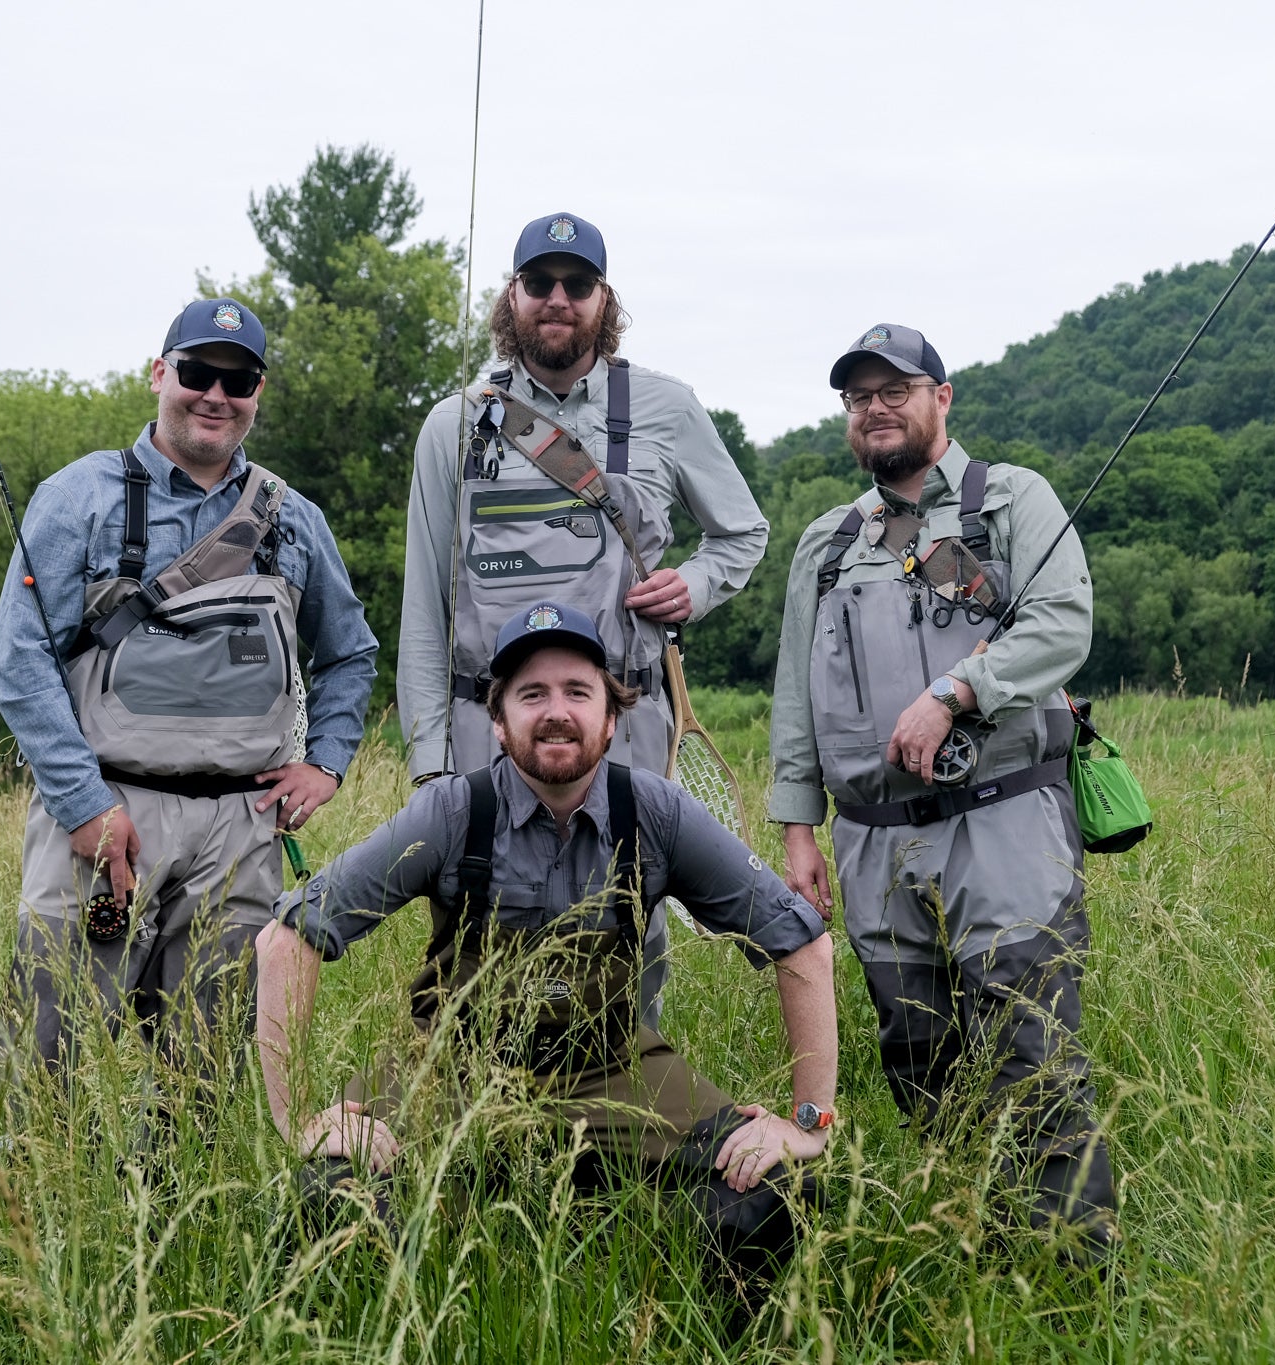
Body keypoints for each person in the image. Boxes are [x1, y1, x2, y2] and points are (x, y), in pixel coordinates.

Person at [257, 602, 836, 1298]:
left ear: (612, 717)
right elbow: (288, 937)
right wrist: (297, 1124)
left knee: (776, 1188)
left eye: (577, 691)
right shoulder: (450, 813)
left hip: (613, 1068)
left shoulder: (654, 811)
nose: (555, 711)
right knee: (333, 1188)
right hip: (448, 1067)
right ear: (497, 722)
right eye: (531, 694)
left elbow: (802, 942)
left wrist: (808, 1123)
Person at [768, 323, 1117, 1252]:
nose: (875, 410)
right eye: (858, 397)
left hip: (1004, 817)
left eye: (896, 389)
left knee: (1031, 1052)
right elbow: (795, 695)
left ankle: (1076, 1273)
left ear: (942, 397)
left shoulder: (1012, 501)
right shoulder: (828, 544)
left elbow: (1061, 623)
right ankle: (978, 1248)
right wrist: (800, 833)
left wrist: (955, 692)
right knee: (918, 1057)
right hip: (874, 839)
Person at [0, 297, 378, 1086]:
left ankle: (173, 1206)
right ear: (160, 373)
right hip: (106, 815)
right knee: (45, 1055)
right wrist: (83, 804)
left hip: (243, 831)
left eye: (239, 381)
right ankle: (30, 1203)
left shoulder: (296, 520)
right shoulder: (78, 497)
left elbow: (352, 654)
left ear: (258, 393)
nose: (216, 394)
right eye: (198, 372)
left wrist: (327, 762)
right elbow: (19, 659)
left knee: (204, 1070)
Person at [399, 210, 770, 1025]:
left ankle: (623, 1114)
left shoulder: (668, 408)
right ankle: (475, 1131)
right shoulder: (453, 423)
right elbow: (423, 606)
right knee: (475, 937)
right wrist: (431, 764)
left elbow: (743, 531)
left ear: (606, 299)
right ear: (512, 296)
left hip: (627, 726)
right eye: (540, 283)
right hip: (482, 733)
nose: (556, 300)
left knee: (629, 931)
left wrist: (695, 585)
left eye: (577, 284)